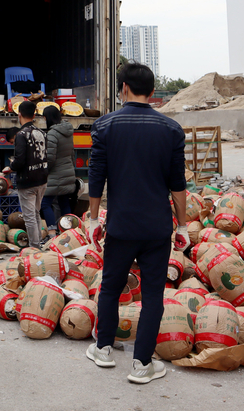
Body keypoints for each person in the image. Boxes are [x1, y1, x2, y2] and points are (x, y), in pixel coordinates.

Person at [86, 63, 188, 385]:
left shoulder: (105, 126)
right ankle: (142, 364)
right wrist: (183, 225)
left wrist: (93, 219)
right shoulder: (171, 129)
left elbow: (96, 177)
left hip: (121, 227)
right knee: (153, 295)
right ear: (153, 92)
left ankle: (103, 349)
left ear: (124, 89)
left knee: (111, 287)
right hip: (157, 228)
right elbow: (178, 184)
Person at [3, 101, 48, 248]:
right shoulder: (42, 133)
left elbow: (20, 160)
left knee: (29, 217)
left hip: (27, 180)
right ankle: (38, 243)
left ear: (19, 115)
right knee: (36, 213)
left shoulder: (21, 135)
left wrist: (11, 167)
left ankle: (34, 247)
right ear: (34, 115)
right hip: (42, 179)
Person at [39, 105, 76, 238]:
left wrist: (44, 172)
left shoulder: (52, 134)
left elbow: (50, 158)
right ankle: (69, 232)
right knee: (64, 202)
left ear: (47, 118)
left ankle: (52, 233)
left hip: (55, 175)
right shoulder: (68, 131)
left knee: (45, 203)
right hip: (67, 172)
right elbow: (72, 153)